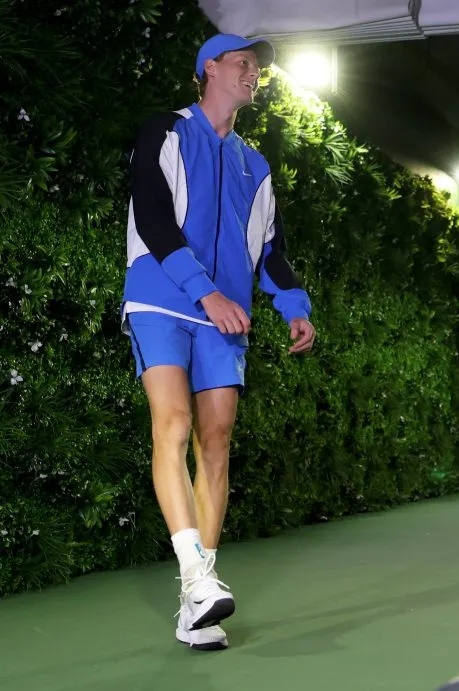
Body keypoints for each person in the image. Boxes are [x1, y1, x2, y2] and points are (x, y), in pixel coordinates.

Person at [120, 33, 316, 651]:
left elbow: (270, 250)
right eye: (244, 63)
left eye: (258, 68)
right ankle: (196, 577)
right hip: (160, 298)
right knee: (173, 423)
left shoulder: (256, 166)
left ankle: (194, 604)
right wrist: (205, 293)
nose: (255, 74)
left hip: (224, 315)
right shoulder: (166, 130)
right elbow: (153, 218)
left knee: (217, 441)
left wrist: (294, 307)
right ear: (210, 68)